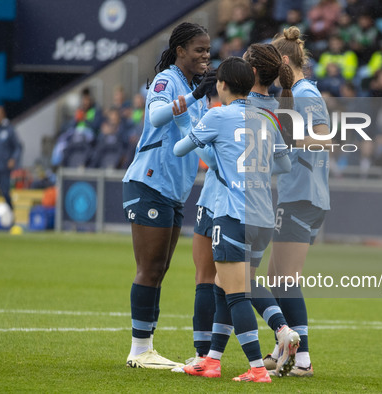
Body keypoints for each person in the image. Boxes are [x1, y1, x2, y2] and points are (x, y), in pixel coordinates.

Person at [172, 43, 300, 375]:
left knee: (231, 290)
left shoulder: (220, 113)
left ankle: (258, 359)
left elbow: (183, 149)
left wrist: (200, 130)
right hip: (263, 213)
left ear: (225, 84)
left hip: (227, 209)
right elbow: (285, 165)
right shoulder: (269, 115)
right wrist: (255, 171)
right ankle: (213, 358)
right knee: (232, 284)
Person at [121, 22, 216, 370]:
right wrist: (192, 96)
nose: (205, 56)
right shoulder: (167, 81)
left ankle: (145, 347)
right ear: (180, 51)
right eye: (199, 50)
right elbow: (156, 115)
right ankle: (139, 349)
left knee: (160, 268)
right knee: (149, 268)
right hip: (149, 183)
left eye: (208, 50)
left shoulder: (197, 89)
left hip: (173, 190)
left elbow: (199, 138)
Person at [266, 26, 332, 377]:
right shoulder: (300, 93)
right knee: (276, 279)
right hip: (298, 194)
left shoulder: (305, 93)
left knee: (286, 279)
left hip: (302, 196)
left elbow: (326, 139)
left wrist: (289, 141)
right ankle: (283, 349)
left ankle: (302, 359)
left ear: (286, 61)